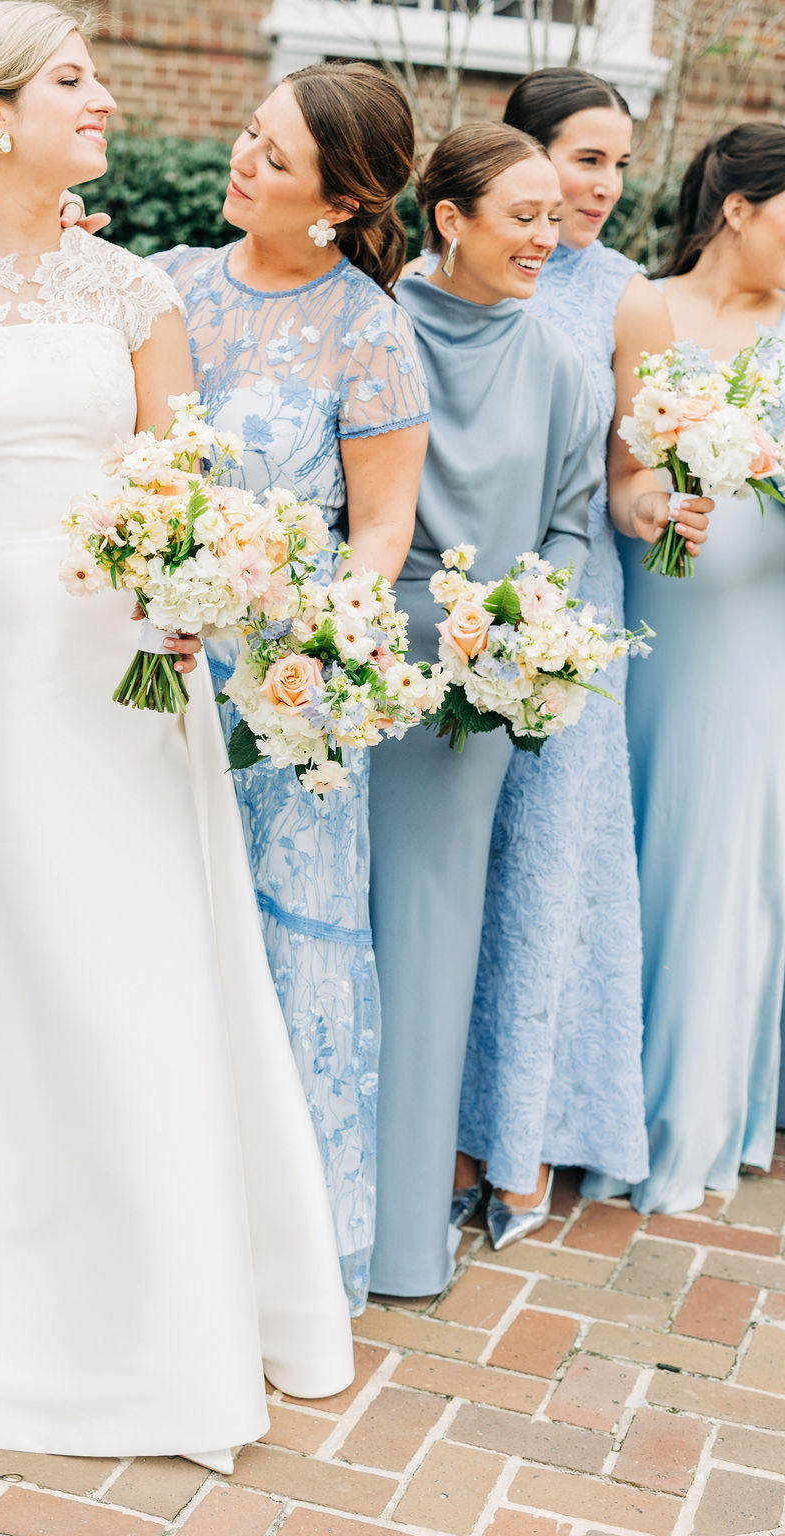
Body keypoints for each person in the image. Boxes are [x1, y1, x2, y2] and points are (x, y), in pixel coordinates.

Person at [0, 0, 353, 1461]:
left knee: (130, 959)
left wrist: (198, 583)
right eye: (71, 79)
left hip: (119, 665)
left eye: (99, 75)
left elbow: (182, 477)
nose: (101, 100)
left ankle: (160, 1310)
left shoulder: (133, 291)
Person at [153, 63, 429, 1314]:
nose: (242, 159)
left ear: (339, 200)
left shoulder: (366, 327)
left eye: (273, 155)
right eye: (247, 135)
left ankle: (282, 1266)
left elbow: (380, 531)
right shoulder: (167, 284)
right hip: (162, 661)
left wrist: (314, 654)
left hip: (287, 680)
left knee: (282, 938)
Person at [456, 68, 711, 1246]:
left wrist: (662, 506)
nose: (603, 186)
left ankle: (521, 1146)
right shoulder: (437, 276)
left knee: (546, 874)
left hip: (569, 612)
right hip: (451, 600)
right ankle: (442, 1134)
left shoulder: (627, 299)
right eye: (583, 158)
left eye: (617, 165)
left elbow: (626, 477)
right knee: (451, 869)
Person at [368, 122, 602, 1300]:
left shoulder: (561, 362)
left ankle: (399, 1236)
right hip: (350, 665)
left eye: (555, 217)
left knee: (427, 938)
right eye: (524, 216)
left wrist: (520, 622)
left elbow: (568, 522)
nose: (546, 238)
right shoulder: (374, 329)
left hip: (473, 689)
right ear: (448, 220)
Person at [584, 122, 785, 1213]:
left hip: (754, 640)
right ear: (739, 208)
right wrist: (649, 503)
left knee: (718, 857)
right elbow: (616, 477)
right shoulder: (642, 307)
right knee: (632, 847)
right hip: (650, 616)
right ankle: (601, 1098)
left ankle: (689, 1115)